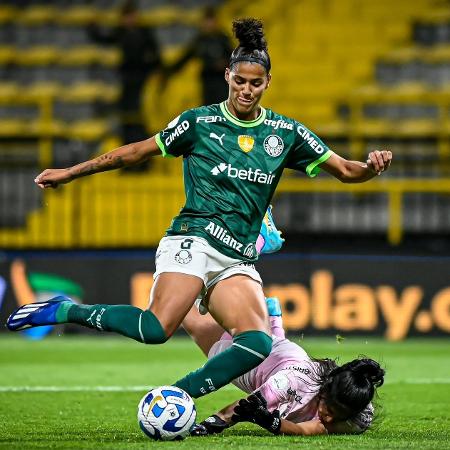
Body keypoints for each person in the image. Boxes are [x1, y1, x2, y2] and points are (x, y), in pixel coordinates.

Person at [6, 18, 392, 401]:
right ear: (227, 75)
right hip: (194, 240)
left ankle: (177, 396)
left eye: (255, 83)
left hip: (235, 257)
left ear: (267, 83)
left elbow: (345, 170)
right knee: (155, 329)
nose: (246, 90)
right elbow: (135, 152)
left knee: (257, 342)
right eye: (239, 81)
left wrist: (370, 168)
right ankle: (66, 311)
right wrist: (72, 173)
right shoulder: (198, 122)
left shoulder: (285, 133)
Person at [183, 299, 384, 436]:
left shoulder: (358, 414)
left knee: (274, 345)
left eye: (338, 415)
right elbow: (244, 407)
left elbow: (307, 430)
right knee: (186, 313)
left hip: (284, 355)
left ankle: (271, 319)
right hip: (245, 357)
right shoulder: (292, 382)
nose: (329, 417)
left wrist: (273, 423)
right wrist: (209, 425)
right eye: (329, 408)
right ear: (324, 391)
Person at [88, 0, 162, 147]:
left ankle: (144, 152)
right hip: (127, 79)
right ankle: (128, 145)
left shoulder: (145, 32)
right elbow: (104, 39)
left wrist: (156, 70)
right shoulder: (121, 31)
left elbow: (156, 55)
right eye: (126, 17)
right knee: (127, 113)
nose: (129, 20)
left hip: (143, 79)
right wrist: (92, 28)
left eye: (131, 16)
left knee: (142, 114)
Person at [162, 6, 233, 105]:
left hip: (222, 82)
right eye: (207, 21)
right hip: (207, 81)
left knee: (224, 109)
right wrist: (168, 70)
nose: (209, 24)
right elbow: (185, 57)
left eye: (211, 21)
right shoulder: (200, 41)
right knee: (208, 109)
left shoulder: (223, 39)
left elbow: (234, 58)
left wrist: (224, 64)